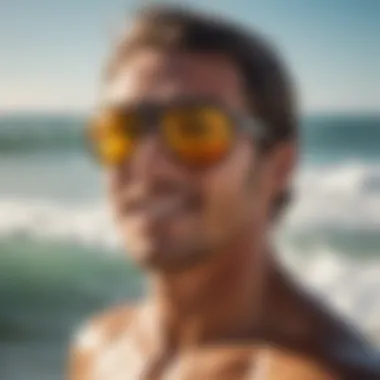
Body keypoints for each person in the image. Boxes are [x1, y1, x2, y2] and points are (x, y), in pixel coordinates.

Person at [70, 5, 380, 379]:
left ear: (278, 168)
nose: (148, 165)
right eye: (120, 129)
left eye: (196, 130)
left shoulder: (316, 373)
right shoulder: (98, 349)